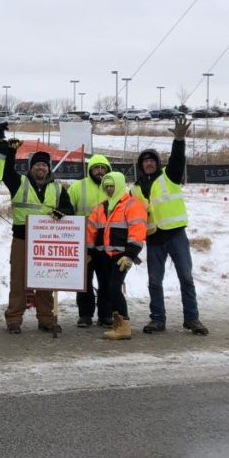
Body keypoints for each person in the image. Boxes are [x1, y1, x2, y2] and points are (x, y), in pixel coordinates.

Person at [129, 114, 209, 336]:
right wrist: (131, 247)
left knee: (186, 277)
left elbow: (177, 160)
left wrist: (179, 141)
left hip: (175, 235)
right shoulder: (134, 190)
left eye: (152, 160)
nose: (149, 163)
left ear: (157, 163)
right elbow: (130, 219)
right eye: (145, 161)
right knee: (154, 281)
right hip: (154, 238)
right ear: (140, 165)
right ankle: (157, 319)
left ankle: (192, 318)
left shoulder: (169, 177)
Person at [0, 132, 74, 334]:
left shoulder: (59, 189)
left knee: (45, 280)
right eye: (37, 165)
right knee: (18, 280)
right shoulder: (19, 182)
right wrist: (11, 151)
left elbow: (69, 210)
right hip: (22, 239)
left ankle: (46, 318)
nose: (41, 168)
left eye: (44, 165)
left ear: (48, 168)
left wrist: (61, 213)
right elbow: (7, 171)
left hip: (46, 243)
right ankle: (14, 319)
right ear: (31, 167)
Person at [86, 171, 147, 340]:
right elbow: (91, 230)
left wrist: (130, 255)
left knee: (114, 287)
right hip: (103, 255)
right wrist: (89, 252)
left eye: (112, 186)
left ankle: (124, 325)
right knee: (105, 287)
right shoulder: (101, 207)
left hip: (121, 256)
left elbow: (137, 231)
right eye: (107, 187)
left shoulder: (132, 205)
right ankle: (115, 322)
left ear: (120, 185)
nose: (109, 189)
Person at [67, 154, 113, 328]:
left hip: (106, 243)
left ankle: (105, 315)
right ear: (90, 170)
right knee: (84, 281)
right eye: (96, 168)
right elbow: (67, 210)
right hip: (83, 243)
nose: (99, 171)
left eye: (103, 168)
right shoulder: (78, 187)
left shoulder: (113, 188)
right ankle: (85, 315)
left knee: (106, 280)